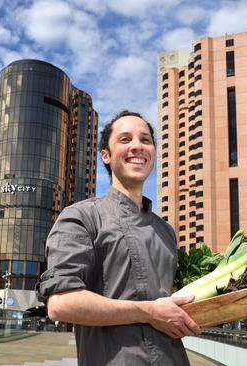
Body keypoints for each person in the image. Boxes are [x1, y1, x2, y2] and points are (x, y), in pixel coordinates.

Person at [37, 110, 200, 365]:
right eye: (125, 139)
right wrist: (148, 312)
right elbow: (61, 303)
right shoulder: (81, 216)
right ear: (106, 155)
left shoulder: (166, 231)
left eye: (146, 140)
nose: (137, 146)